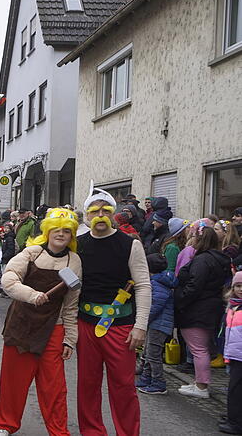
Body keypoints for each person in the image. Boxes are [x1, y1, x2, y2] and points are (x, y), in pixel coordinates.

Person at [0, 208, 82, 436]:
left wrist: (70, 339)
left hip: (54, 328)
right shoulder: (32, 252)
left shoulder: (74, 261)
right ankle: (5, 424)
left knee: (54, 386)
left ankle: (58, 430)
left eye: (66, 231)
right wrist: (32, 295)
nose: (60, 234)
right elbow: (9, 279)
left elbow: (71, 303)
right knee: (13, 381)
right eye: (56, 230)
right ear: (47, 231)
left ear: (71, 235)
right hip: (21, 324)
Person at [75, 184, 150, 436]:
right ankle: (92, 432)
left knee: (124, 386)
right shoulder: (78, 245)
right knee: (87, 385)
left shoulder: (130, 245)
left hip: (120, 326)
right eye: (94, 212)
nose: (99, 216)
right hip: (85, 325)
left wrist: (140, 326)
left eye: (105, 211)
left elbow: (143, 286)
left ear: (113, 214)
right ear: (86, 216)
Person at [174, 226, 232, 399]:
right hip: (209, 307)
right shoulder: (219, 259)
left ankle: (201, 385)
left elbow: (194, 285)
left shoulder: (202, 260)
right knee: (201, 348)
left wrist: (180, 299)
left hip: (197, 309)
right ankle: (200, 381)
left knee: (199, 349)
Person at [135, 253, 177, 395]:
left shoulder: (157, 283)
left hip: (159, 324)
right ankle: (146, 377)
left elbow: (156, 304)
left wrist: (144, 317)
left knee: (153, 354)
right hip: (156, 324)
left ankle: (158, 382)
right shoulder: (160, 280)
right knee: (147, 351)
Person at [220, 272, 242, 434]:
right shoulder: (232, 305)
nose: (240, 289)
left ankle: (236, 423)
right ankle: (232, 416)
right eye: (238, 286)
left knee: (236, 389)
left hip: (240, 354)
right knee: (233, 388)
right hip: (233, 353)